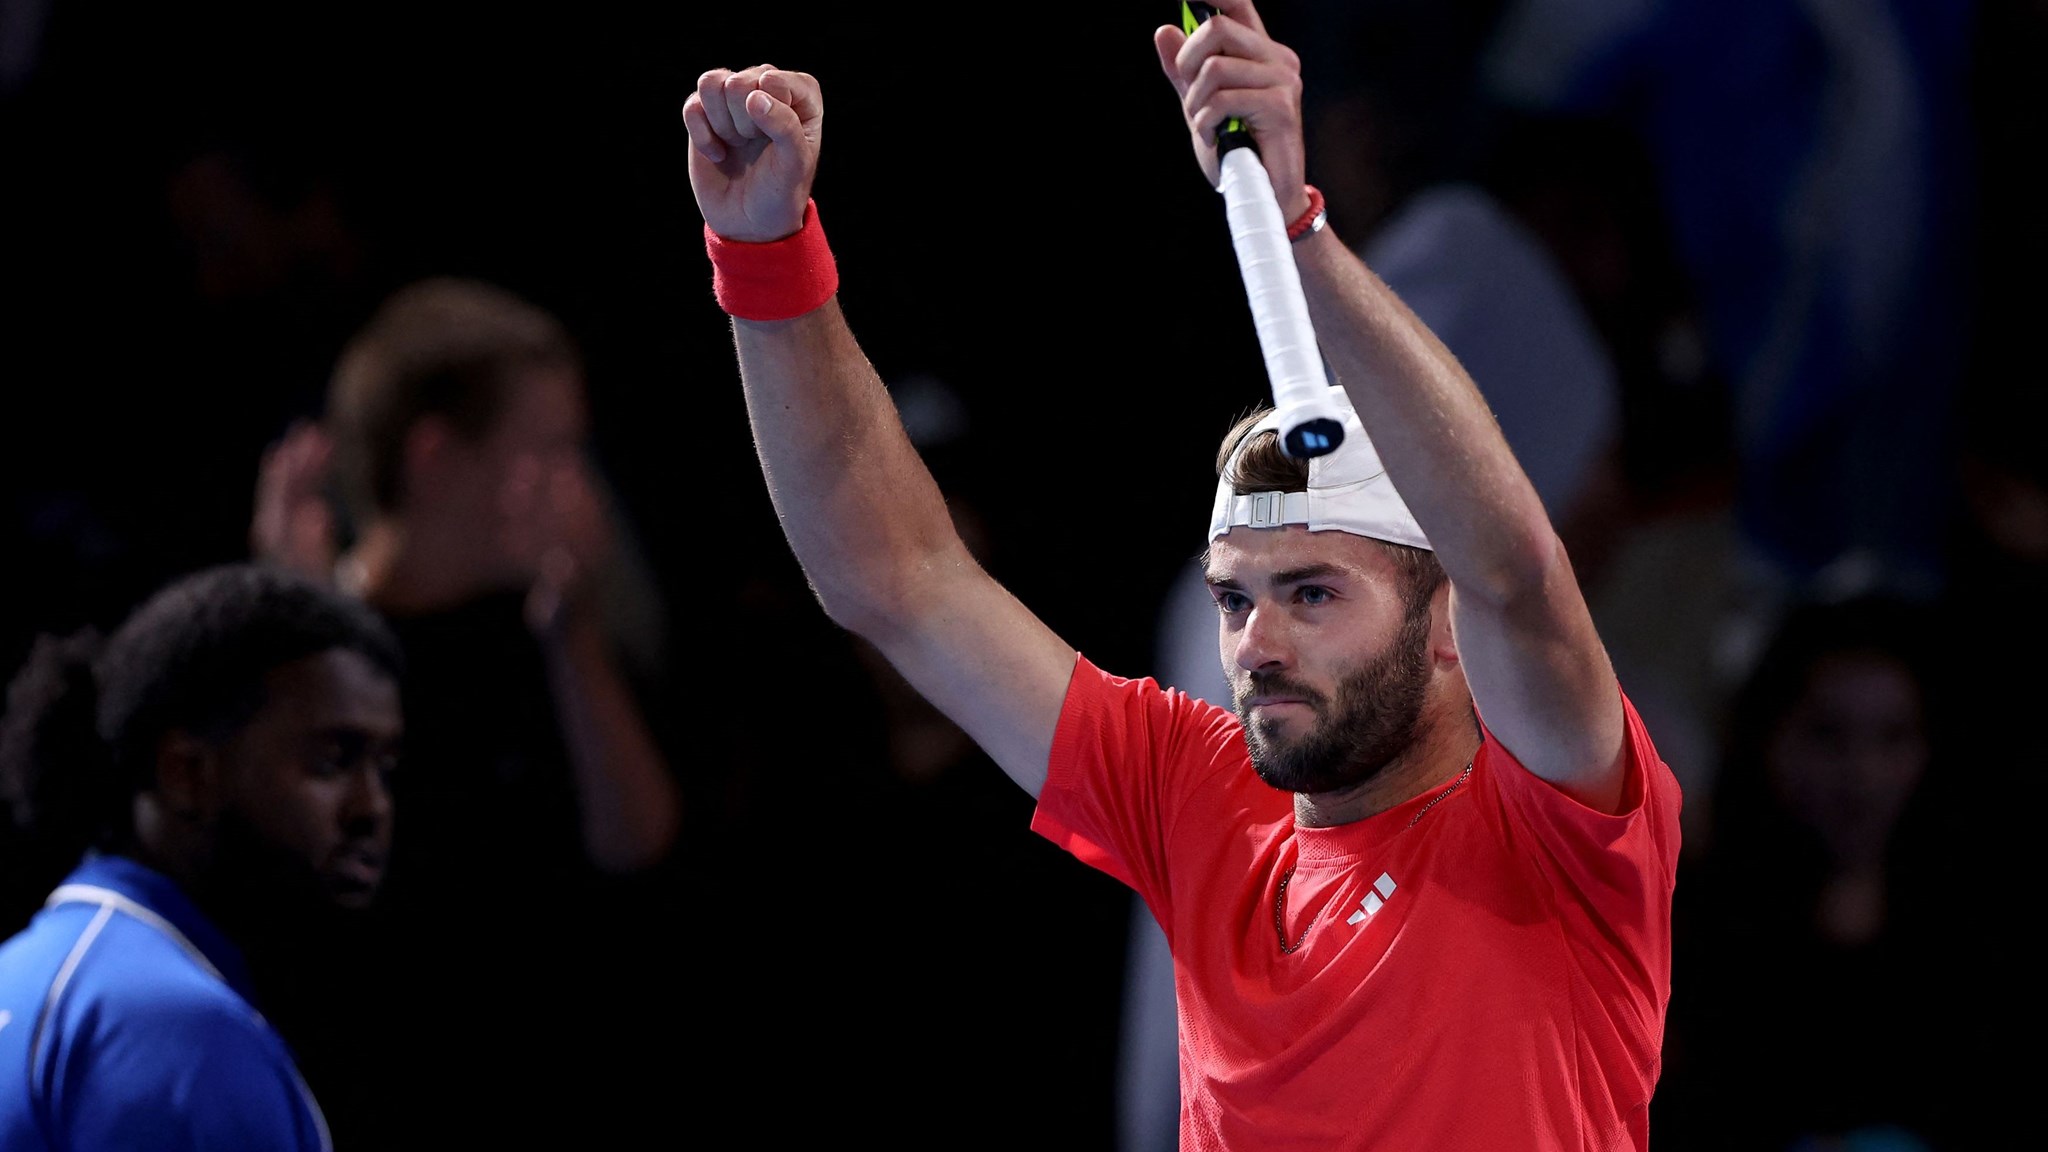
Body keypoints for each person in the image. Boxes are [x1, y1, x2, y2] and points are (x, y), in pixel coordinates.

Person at [679, 2, 1682, 1148]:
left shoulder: (1558, 827)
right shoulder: (1191, 796)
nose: (1255, 641)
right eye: (1233, 597)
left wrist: (1298, 224)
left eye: (1310, 592)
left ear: (1440, 619)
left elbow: (1512, 567)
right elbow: (895, 580)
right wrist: (764, 259)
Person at [247, 276, 686, 1146]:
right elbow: (298, 914)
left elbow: (639, 845)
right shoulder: (320, 649)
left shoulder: (553, 627)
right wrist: (296, 647)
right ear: (436, 458)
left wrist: (576, 642)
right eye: (549, 453)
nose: (576, 490)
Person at [0, 562, 405, 1151]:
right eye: (332, 761)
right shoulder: (175, 1029)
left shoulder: (27, 972)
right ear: (188, 774)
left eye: (386, 769)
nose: (373, 808)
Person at [1651, 593, 1981, 1150]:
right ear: (1769, 738)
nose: (1863, 775)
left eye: (1894, 737)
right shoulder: (1699, 923)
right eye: (1828, 735)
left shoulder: (1970, 920)